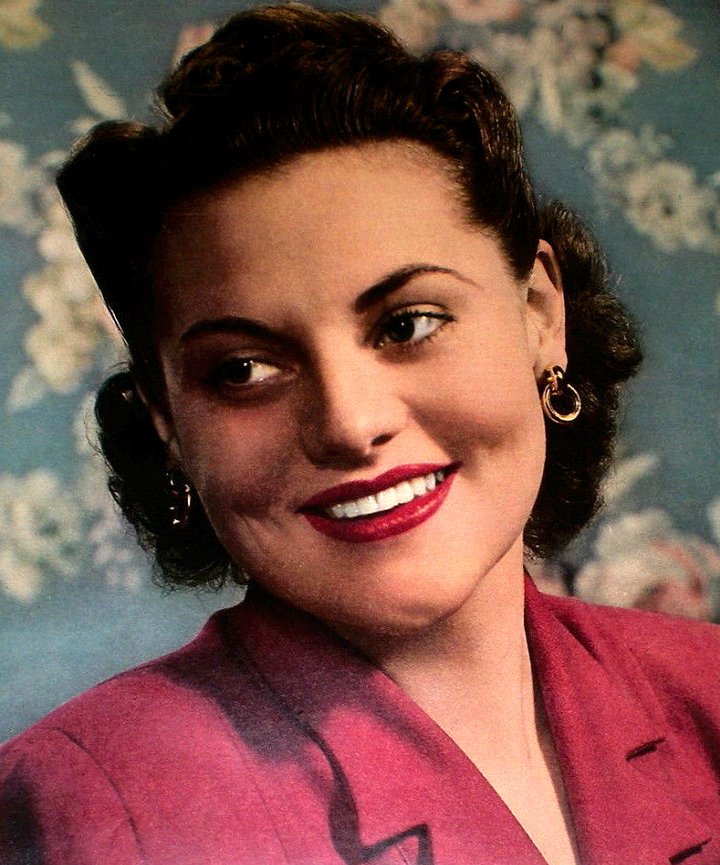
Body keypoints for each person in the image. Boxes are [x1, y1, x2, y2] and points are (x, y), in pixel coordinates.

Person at [1, 5, 718, 864]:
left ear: (538, 314)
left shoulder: (707, 692)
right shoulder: (100, 807)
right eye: (243, 369)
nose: (350, 421)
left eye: (408, 324)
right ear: (167, 422)